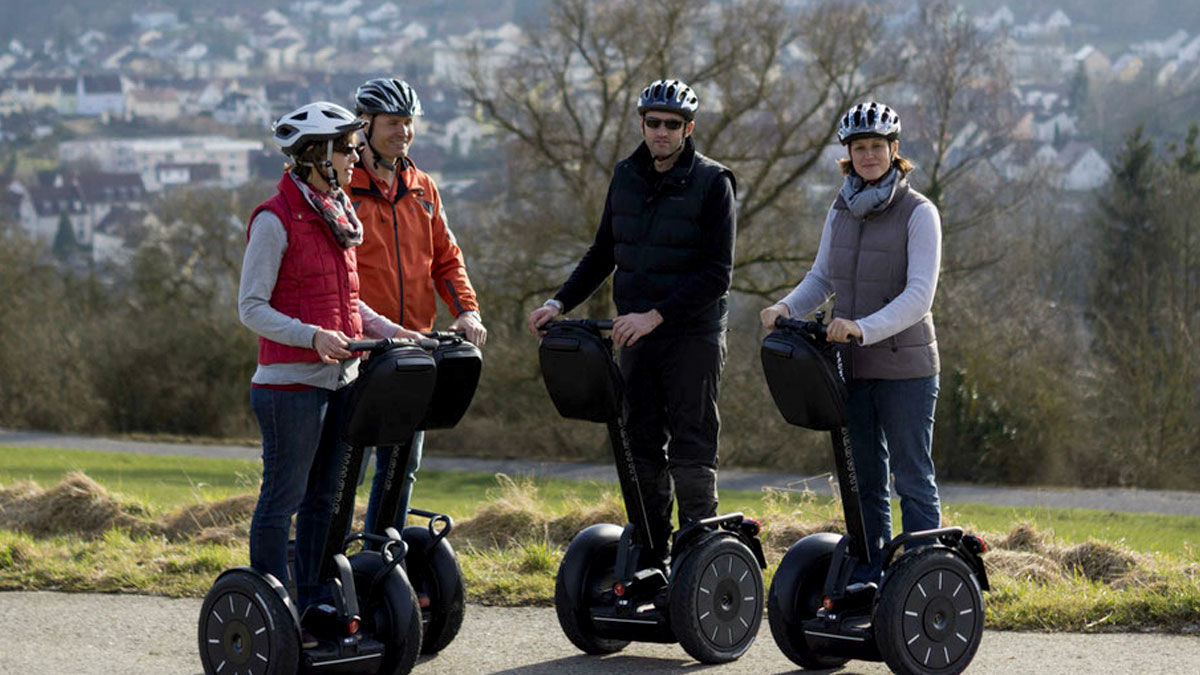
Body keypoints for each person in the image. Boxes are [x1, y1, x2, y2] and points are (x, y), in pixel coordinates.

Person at [526, 79, 737, 566]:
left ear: (689, 129)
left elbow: (716, 275)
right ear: (641, 123)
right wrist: (559, 303)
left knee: (691, 443)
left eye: (672, 125)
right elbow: (604, 252)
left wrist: (655, 316)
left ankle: (698, 556)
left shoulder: (713, 182)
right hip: (634, 337)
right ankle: (649, 549)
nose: (661, 132)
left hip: (692, 337)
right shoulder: (626, 175)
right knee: (637, 441)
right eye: (653, 122)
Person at [237, 101, 421, 639]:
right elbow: (252, 308)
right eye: (345, 147)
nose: (354, 153)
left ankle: (314, 599)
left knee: (326, 500)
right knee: (283, 500)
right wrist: (312, 337)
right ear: (316, 155)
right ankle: (270, 610)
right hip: (289, 388)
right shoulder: (274, 219)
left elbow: (350, 306)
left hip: (341, 381)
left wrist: (395, 332)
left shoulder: (339, 215)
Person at [760, 101, 943, 587]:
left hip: (906, 368)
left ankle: (922, 580)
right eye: (859, 148)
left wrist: (863, 327)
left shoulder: (919, 212)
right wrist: (784, 308)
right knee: (863, 481)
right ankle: (870, 572)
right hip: (852, 368)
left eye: (877, 147)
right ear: (848, 154)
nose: (868, 156)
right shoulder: (840, 209)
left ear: (894, 151)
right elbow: (821, 277)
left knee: (912, 480)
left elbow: (920, 296)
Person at [348, 77, 486, 535]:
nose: (403, 131)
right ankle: (326, 562)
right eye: (393, 123)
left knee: (401, 465)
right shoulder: (345, 187)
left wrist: (467, 311)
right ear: (364, 125)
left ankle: (378, 556)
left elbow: (446, 259)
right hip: (359, 351)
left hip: (415, 351)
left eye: (408, 122)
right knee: (345, 468)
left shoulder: (423, 187)